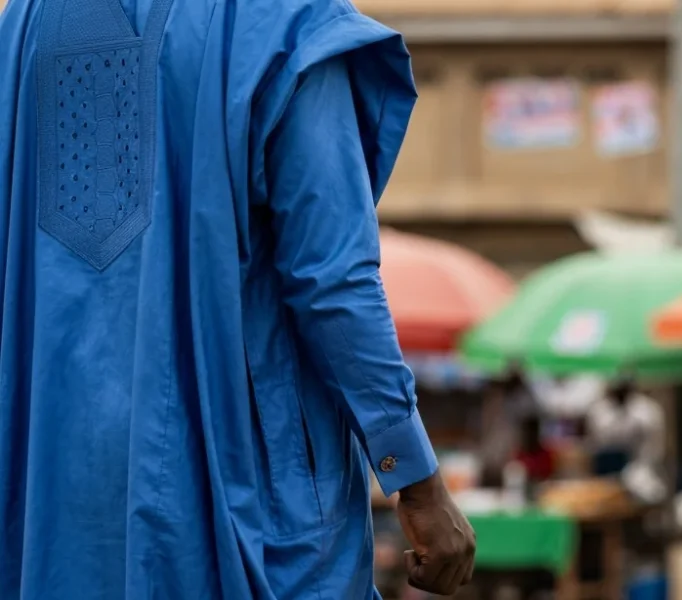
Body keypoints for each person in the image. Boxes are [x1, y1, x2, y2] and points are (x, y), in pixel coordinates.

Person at [0, 0, 475, 598]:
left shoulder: (24, 24)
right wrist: (416, 480)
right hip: (240, 500)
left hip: (56, 502)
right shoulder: (283, 19)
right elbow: (332, 280)